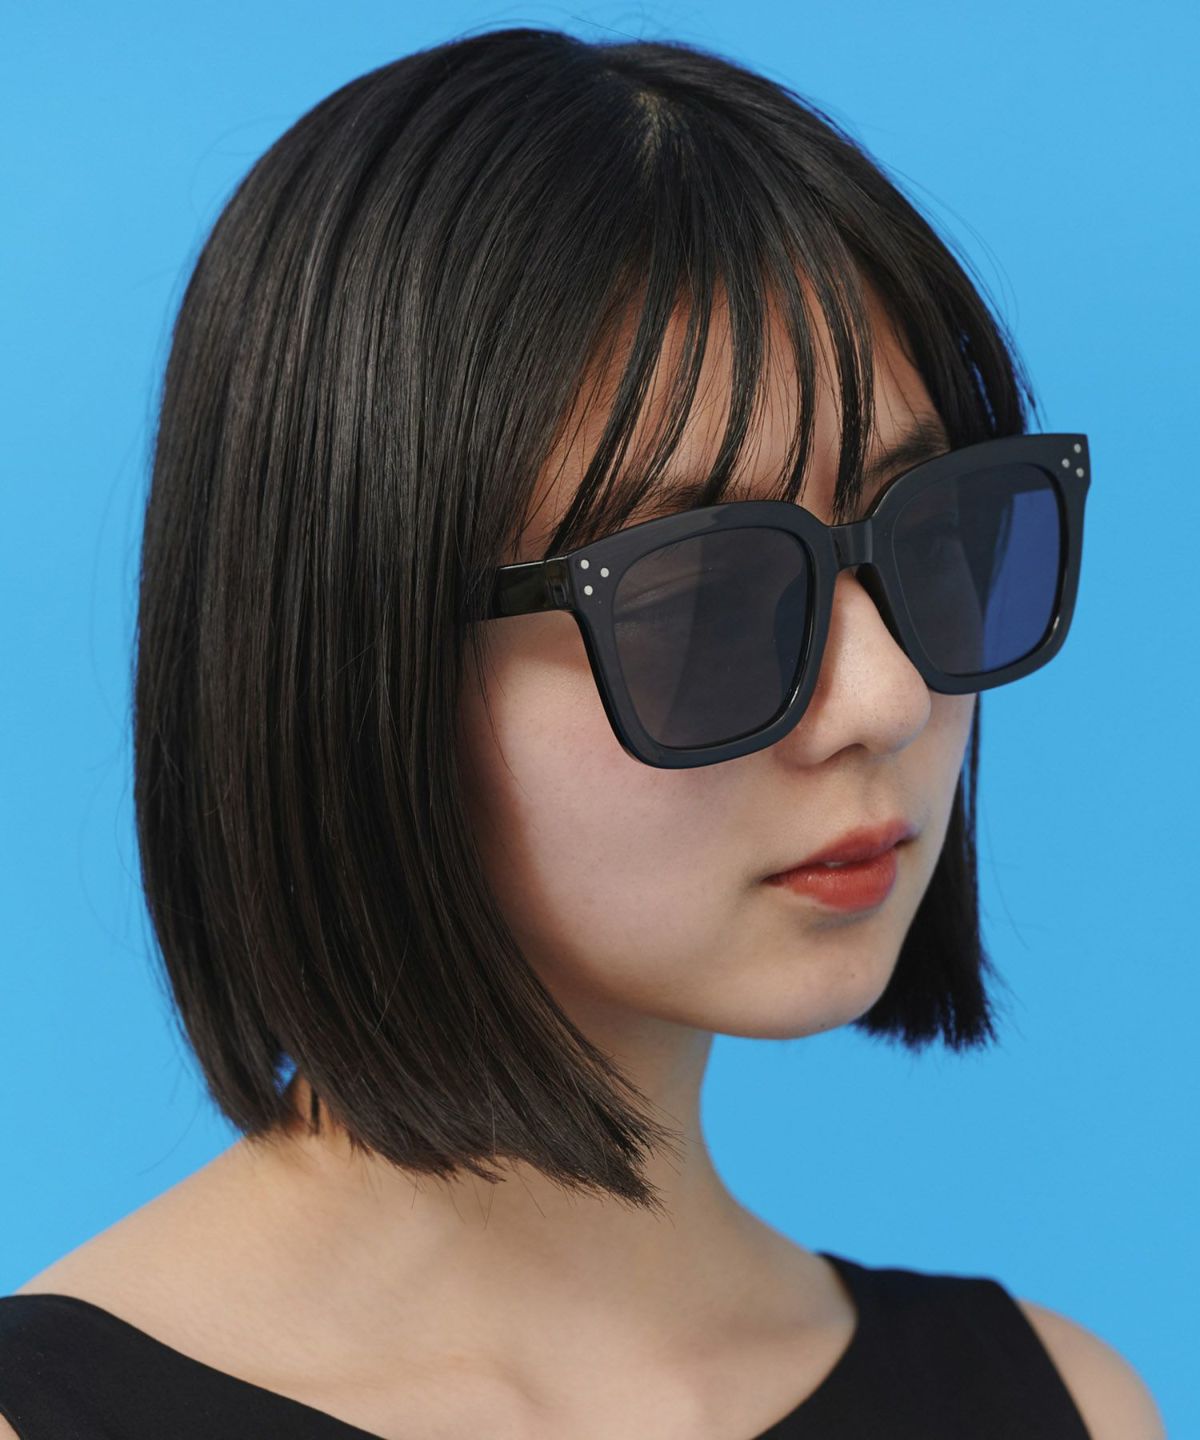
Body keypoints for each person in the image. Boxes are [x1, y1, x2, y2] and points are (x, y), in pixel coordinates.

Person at [0, 25, 1165, 1440]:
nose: (886, 698)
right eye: (704, 592)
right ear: (357, 654)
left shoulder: (1062, 1406)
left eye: (931, 534)